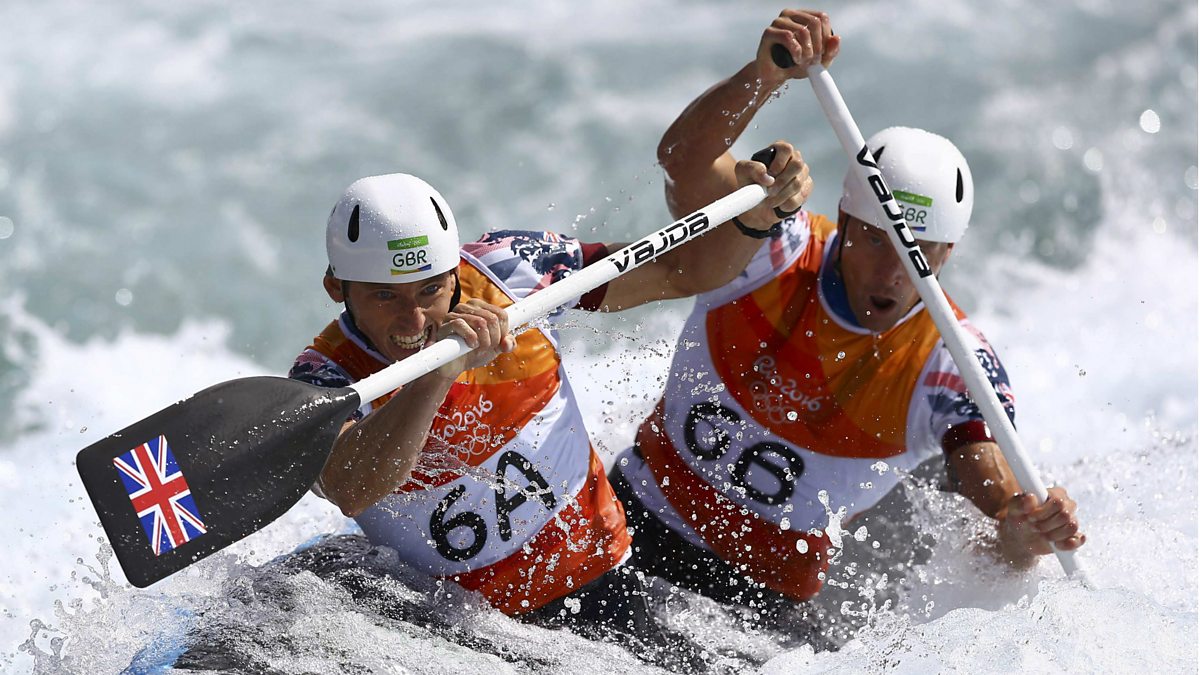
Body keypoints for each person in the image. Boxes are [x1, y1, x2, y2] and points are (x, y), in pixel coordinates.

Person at [607, 8, 1086, 617]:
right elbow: (682, 160)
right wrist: (763, 77)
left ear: (949, 253)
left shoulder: (951, 365)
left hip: (753, 611)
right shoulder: (773, 246)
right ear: (845, 221)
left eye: (919, 254)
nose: (893, 273)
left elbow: (999, 506)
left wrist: (1025, 531)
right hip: (623, 525)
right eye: (877, 241)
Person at [286, 159, 813, 632]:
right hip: (462, 630)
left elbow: (681, 272)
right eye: (385, 296)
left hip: (602, 582)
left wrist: (755, 221)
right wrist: (435, 376)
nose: (415, 321)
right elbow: (350, 488)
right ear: (337, 289)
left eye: (431, 289)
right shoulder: (324, 378)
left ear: (452, 271)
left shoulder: (509, 269)